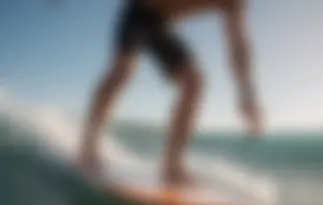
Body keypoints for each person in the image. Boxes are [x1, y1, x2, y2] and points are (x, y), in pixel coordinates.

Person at [79, 0, 264, 186]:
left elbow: (238, 45)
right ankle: (88, 146)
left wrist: (246, 93)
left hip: (159, 24)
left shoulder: (235, 4)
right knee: (122, 72)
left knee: (194, 82)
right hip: (136, 11)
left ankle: (172, 166)